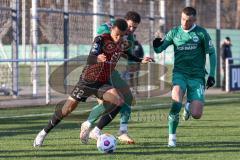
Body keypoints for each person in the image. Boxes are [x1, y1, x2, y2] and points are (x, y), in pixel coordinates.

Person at [33, 18, 152, 147]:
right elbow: (89, 58)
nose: (118, 38)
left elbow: (127, 55)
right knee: (66, 110)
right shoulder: (101, 39)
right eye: (116, 34)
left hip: (103, 83)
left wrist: (140, 60)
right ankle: (43, 133)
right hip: (87, 81)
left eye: (121, 35)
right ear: (111, 29)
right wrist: (97, 58)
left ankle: (94, 130)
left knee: (119, 101)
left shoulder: (122, 43)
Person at [153, 7, 216, 147]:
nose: (184, 23)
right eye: (182, 19)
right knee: (175, 101)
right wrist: (156, 45)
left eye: (187, 20)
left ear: (194, 20)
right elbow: (159, 49)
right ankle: (172, 139)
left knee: (197, 114)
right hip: (179, 74)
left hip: (197, 76)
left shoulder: (201, 33)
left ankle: (188, 105)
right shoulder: (174, 32)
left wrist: (212, 74)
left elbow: (211, 53)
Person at [80, 11, 144, 144]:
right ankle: (88, 124)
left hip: (112, 71)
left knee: (127, 98)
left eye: (135, 27)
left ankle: (121, 132)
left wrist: (138, 61)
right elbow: (99, 40)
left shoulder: (129, 37)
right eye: (130, 26)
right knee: (111, 102)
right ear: (124, 21)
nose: (131, 30)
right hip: (98, 71)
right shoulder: (108, 28)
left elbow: (126, 54)